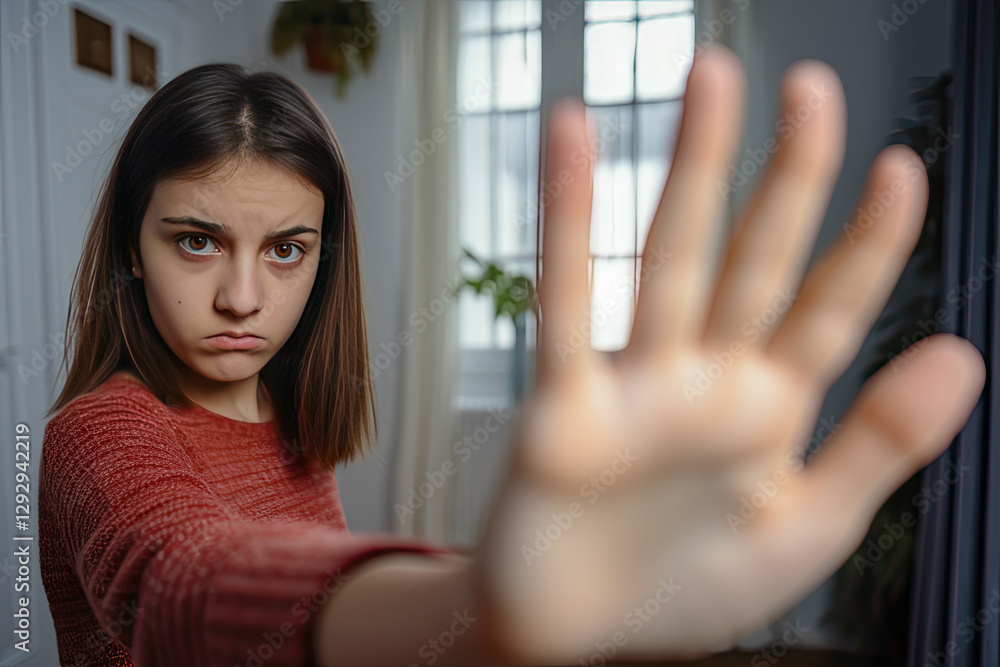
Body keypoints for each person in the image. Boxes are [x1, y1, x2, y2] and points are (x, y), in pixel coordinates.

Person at [37, 42, 985, 667]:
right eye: (196, 241)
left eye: (286, 248)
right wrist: (470, 608)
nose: (243, 296)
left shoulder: (288, 418)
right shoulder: (97, 432)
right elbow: (178, 582)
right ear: (132, 244)